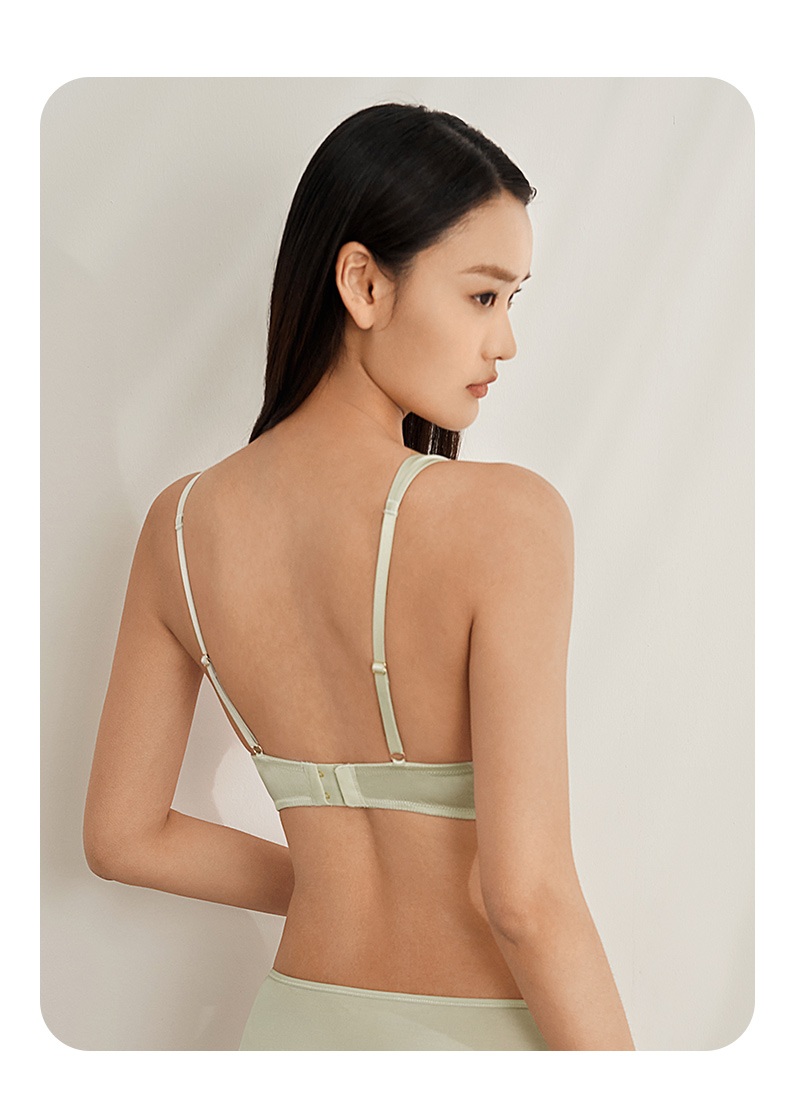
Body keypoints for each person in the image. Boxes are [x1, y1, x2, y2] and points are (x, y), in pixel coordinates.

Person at [82, 102, 635, 1051]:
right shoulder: (507, 520)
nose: (506, 342)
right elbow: (526, 899)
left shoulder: (178, 527)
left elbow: (124, 837)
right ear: (364, 284)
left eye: (513, 300)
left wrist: (330, 880)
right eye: (483, 297)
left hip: (290, 1030)